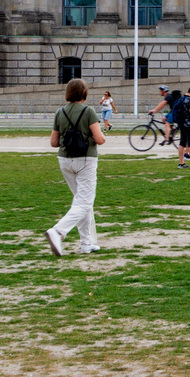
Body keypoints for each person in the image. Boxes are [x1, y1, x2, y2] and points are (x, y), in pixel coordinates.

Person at [44, 77, 106, 256]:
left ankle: (87, 242)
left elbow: (54, 142)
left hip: (65, 159)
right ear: (84, 93)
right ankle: (58, 231)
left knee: (82, 201)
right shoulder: (89, 111)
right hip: (85, 159)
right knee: (85, 201)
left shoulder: (60, 112)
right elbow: (99, 139)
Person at [171, 87, 190, 169]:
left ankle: (181, 163)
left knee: (182, 143)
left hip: (182, 124)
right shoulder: (189, 100)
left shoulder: (181, 99)